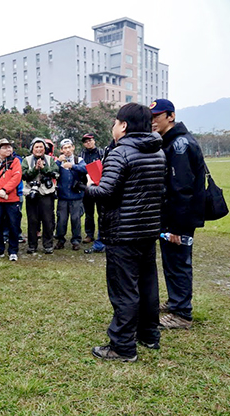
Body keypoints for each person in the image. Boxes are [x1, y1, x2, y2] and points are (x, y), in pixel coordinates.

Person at [86, 103, 166, 362]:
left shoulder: (121, 153)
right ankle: (148, 333)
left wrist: (87, 186)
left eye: (115, 122)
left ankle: (122, 346)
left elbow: (105, 193)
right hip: (147, 229)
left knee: (124, 289)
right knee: (147, 284)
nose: (113, 127)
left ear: (124, 125)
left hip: (123, 232)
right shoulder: (158, 152)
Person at [150, 99, 206, 330]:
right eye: (151, 117)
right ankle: (176, 301)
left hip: (178, 218)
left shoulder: (180, 145)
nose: (153, 121)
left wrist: (175, 227)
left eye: (157, 116)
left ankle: (181, 313)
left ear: (171, 116)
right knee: (172, 261)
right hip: (171, 216)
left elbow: (181, 189)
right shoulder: (171, 142)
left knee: (178, 261)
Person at [0, 138, 23, 262]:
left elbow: (16, 177)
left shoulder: (15, 161)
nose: (9, 149)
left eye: (9, 147)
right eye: (5, 147)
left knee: (13, 225)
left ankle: (13, 250)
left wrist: (5, 190)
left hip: (12, 199)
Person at [21, 138, 59, 254]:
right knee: (32, 220)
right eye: (36, 147)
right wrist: (35, 169)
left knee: (48, 220)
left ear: (45, 148)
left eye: (41, 147)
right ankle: (32, 245)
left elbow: (55, 172)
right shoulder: (26, 160)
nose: (39, 149)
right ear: (32, 149)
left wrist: (44, 168)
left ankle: (48, 245)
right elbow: (23, 175)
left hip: (46, 193)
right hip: (31, 192)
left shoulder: (50, 160)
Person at [54, 138, 87, 251]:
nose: (67, 150)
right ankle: (60, 239)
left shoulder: (79, 160)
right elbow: (51, 171)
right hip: (62, 196)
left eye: (69, 147)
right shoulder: (58, 161)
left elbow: (85, 169)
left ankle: (76, 240)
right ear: (61, 150)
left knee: (75, 219)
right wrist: (59, 162)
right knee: (61, 219)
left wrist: (72, 166)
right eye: (65, 148)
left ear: (73, 147)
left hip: (76, 196)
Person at [79, 133, 103, 243]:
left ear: (94, 140)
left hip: (100, 186)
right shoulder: (81, 155)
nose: (88, 143)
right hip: (87, 187)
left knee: (101, 212)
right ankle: (89, 234)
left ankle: (102, 234)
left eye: (89, 140)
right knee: (89, 213)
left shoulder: (101, 153)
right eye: (85, 141)